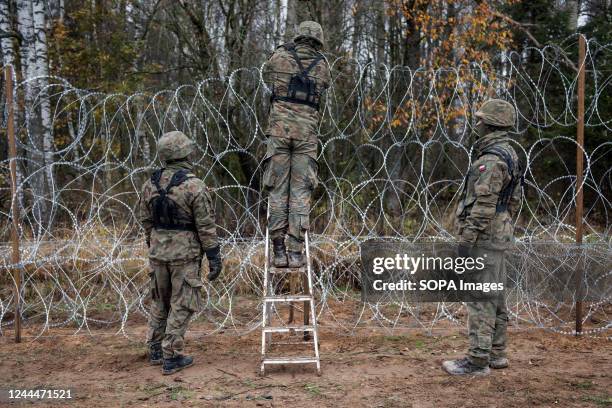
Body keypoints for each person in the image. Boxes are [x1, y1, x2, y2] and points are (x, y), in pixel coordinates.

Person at [443, 99, 523, 376]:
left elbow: (484, 206)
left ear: (491, 124)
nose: (476, 125)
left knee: (481, 299)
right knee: (496, 297)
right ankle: (497, 354)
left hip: (484, 237)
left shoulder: (490, 159)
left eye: (480, 121)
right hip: (498, 234)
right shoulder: (510, 154)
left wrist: (466, 240)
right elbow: (514, 201)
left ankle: (477, 361)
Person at [138, 131, 223, 375]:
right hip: (184, 254)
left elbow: (145, 221)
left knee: (160, 301)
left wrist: (153, 243)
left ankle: (155, 348)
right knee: (181, 304)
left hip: (158, 252)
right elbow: (205, 226)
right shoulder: (194, 186)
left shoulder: (149, 184)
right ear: (184, 153)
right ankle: (172, 355)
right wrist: (214, 255)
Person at [262, 21, 331, 268]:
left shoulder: (280, 56)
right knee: (300, 193)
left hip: (279, 133)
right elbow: (324, 85)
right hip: (306, 136)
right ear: (319, 40)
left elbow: (268, 71)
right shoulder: (322, 65)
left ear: (298, 36)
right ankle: (295, 251)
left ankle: (278, 250)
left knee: (278, 191)